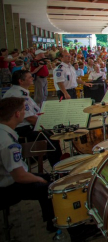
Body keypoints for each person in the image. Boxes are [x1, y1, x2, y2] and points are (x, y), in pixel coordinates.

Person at [0, 97, 57, 232]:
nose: (25, 113)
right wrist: (39, 179)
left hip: (8, 178)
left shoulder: (4, 132)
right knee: (48, 187)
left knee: (50, 177)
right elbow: (20, 177)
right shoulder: (7, 142)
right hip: (6, 188)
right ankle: (55, 224)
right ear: (17, 114)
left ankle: (51, 218)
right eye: (23, 110)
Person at [3, 70, 62, 166]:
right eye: (30, 77)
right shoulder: (18, 95)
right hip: (22, 130)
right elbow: (30, 118)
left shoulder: (20, 92)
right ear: (21, 81)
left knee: (52, 136)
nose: (33, 79)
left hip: (28, 126)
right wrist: (49, 125)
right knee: (52, 139)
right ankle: (59, 169)